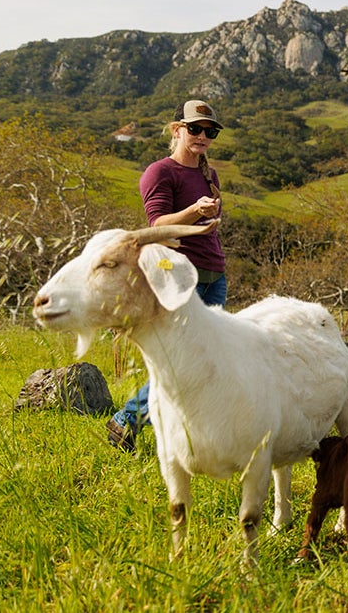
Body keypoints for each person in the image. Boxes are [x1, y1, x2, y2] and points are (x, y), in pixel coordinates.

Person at [107, 100, 228, 452]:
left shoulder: (209, 174)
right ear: (177, 130)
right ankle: (126, 420)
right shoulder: (160, 172)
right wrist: (194, 210)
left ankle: (185, 432)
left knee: (204, 359)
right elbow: (156, 226)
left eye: (210, 131)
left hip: (213, 273)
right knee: (181, 361)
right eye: (195, 128)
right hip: (178, 276)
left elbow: (206, 227)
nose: (203, 136)